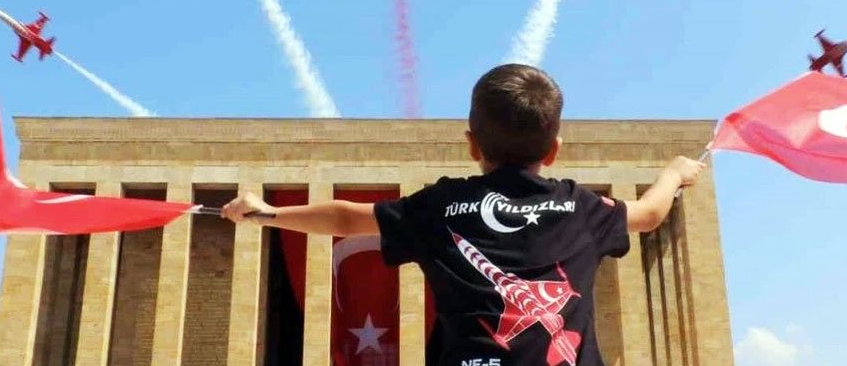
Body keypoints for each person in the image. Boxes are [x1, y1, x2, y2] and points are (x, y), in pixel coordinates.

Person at [222, 63, 706, 366]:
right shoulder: (580, 208)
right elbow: (648, 214)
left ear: (472, 144)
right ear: (555, 149)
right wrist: (675, 172)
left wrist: (268, 214)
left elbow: (348, 219)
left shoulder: (441, 206)